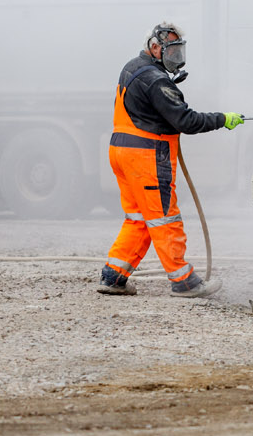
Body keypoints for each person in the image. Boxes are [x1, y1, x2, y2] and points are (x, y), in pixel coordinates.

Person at [97, 22, 243, 298]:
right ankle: (184, 281)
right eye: (172, 51)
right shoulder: (156, 80)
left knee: (139, 219)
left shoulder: (133, 67)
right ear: (155, 47)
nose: (177, 57)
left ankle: (113, 276)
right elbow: (186, 120)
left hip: (121, 153)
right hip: (146, 157)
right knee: (164, 218)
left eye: (179, 51)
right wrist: (223, 119)